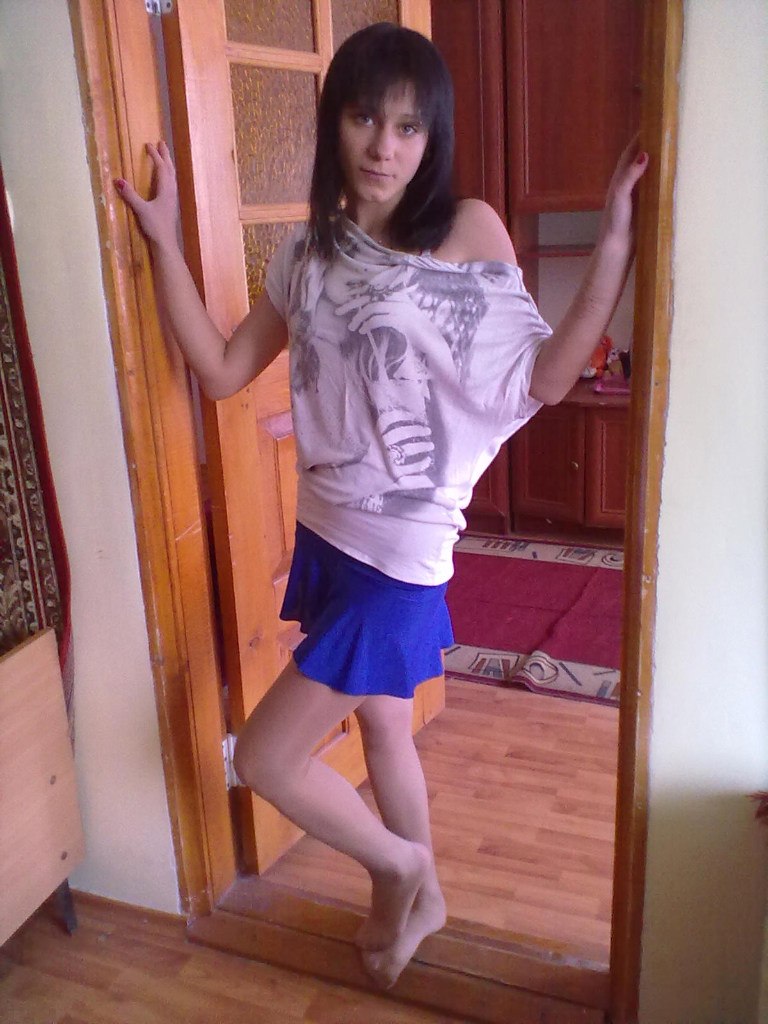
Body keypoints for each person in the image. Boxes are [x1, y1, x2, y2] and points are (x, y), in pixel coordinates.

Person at [115, 22, 647, 990]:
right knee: (386, 729)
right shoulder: (308, 251)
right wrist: (163, 243)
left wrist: (611, 243)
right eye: (365, 117)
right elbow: (223, 368)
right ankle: (417, 895)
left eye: (408, 126)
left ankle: (401, 868)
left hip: (397, 557)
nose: (384, 145)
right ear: (336, 122)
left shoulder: (467, 229)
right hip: (328, 536)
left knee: (264, 759)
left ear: (431, 137)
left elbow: (547, 373)